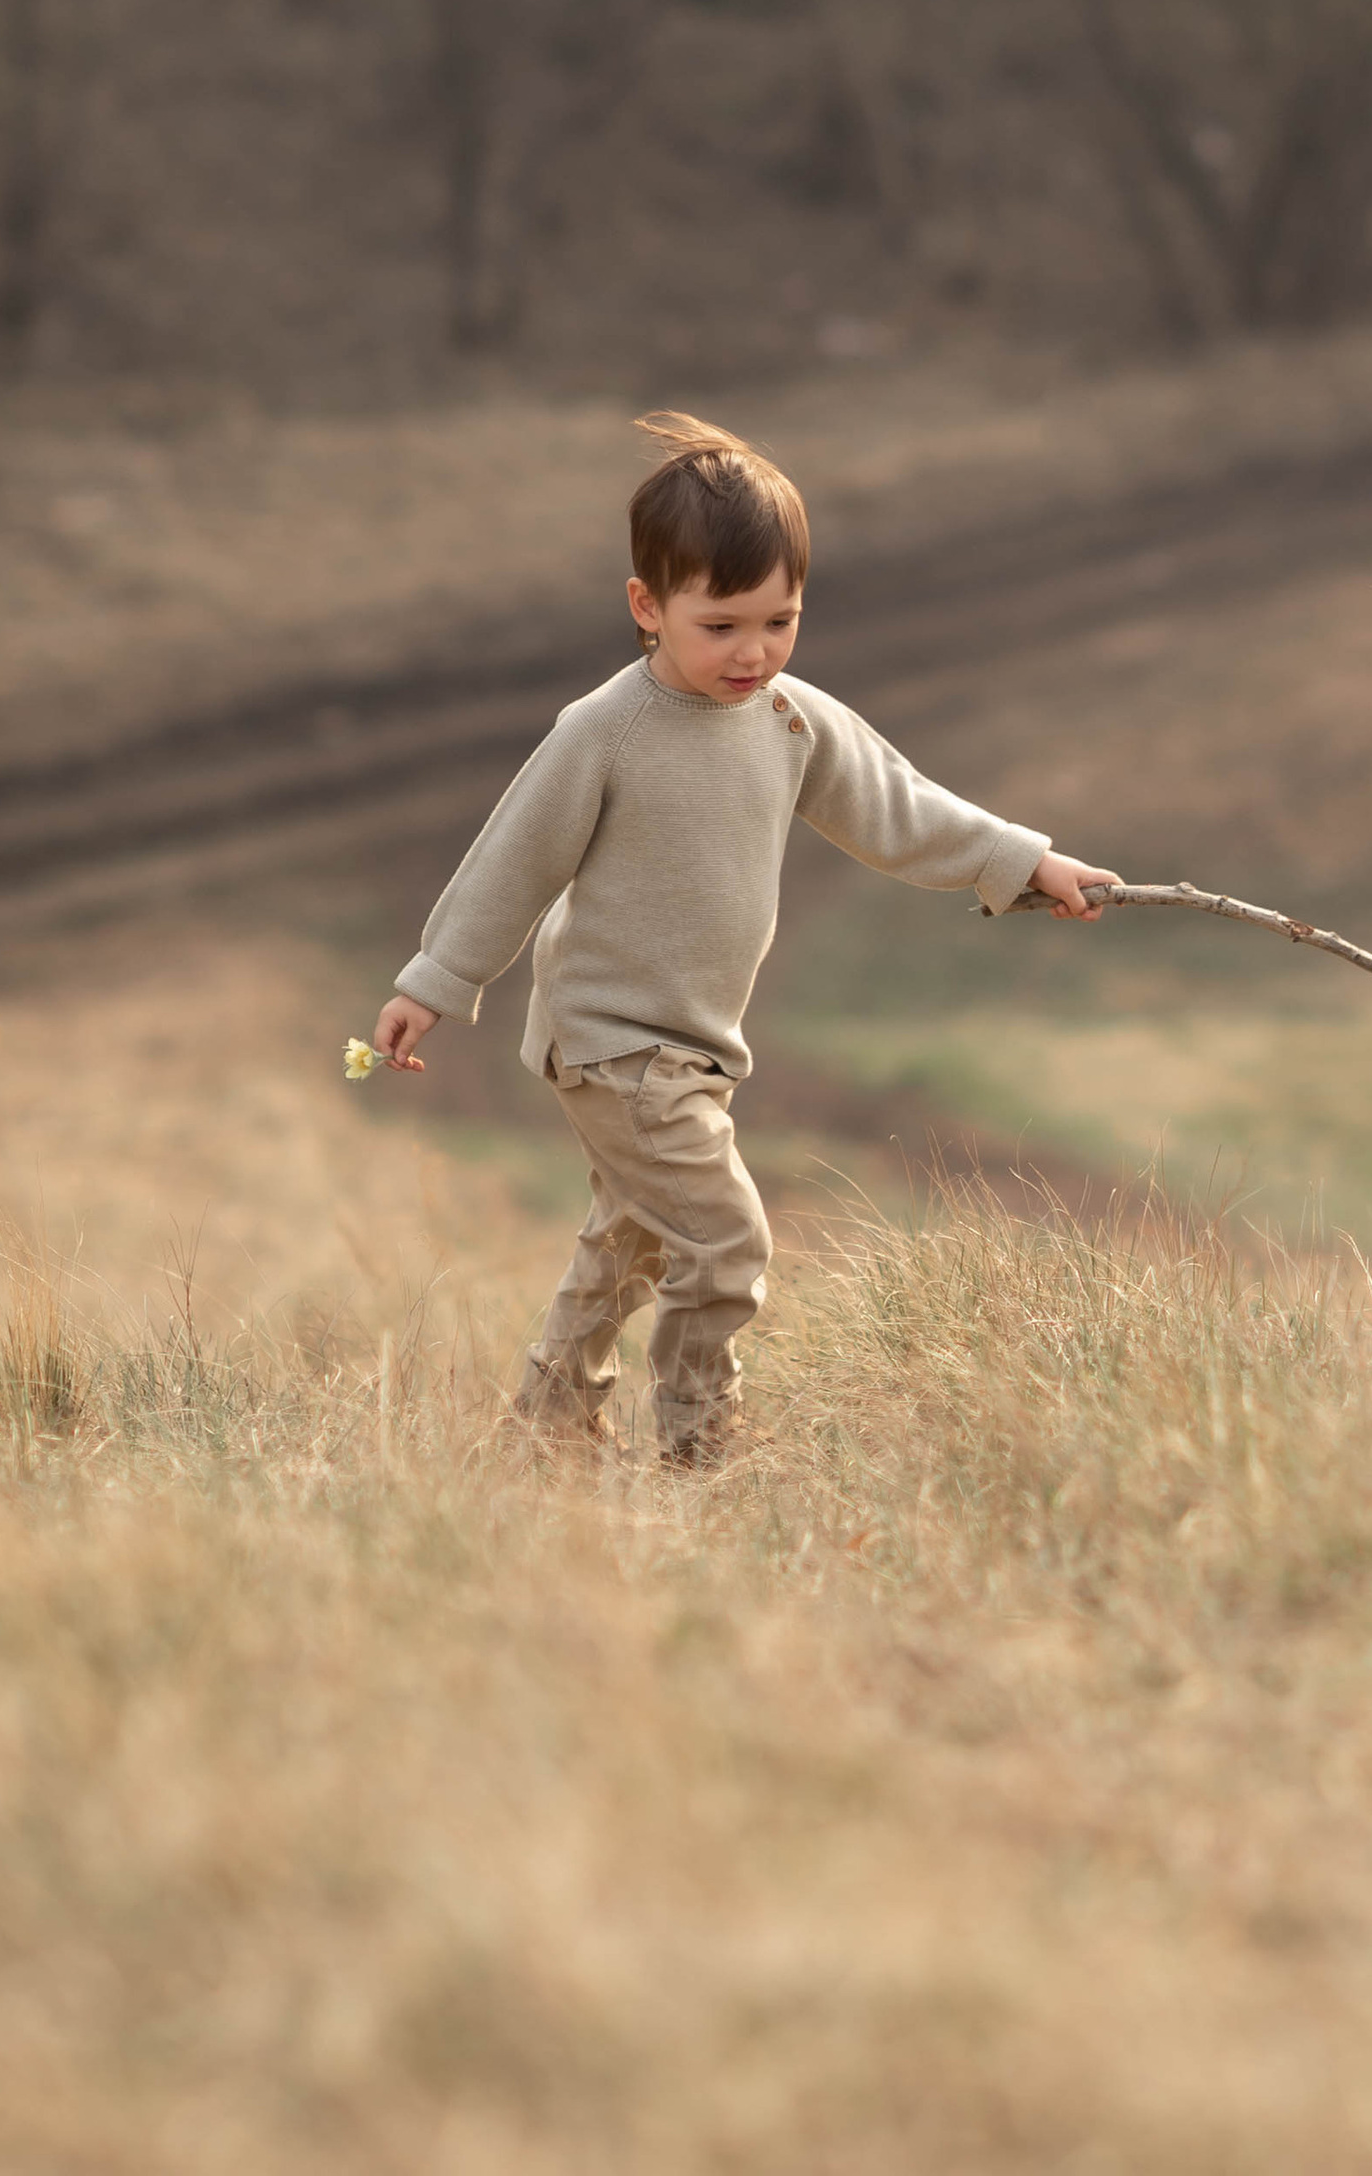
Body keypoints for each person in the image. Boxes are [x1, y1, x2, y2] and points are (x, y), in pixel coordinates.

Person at [364, 409, 1115, 1462]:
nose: (753, 652)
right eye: (720, 626)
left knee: (628, 1242)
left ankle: (543, 1432)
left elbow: (898, 808)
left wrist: (1022, 863)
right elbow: (514, 858)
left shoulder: (792, 721)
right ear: (647, 607)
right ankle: (700, 1447)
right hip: (613, 1042)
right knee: (724, 1242)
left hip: (694, 1043)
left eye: (780, 621)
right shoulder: (604, 730)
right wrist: (436, 980)